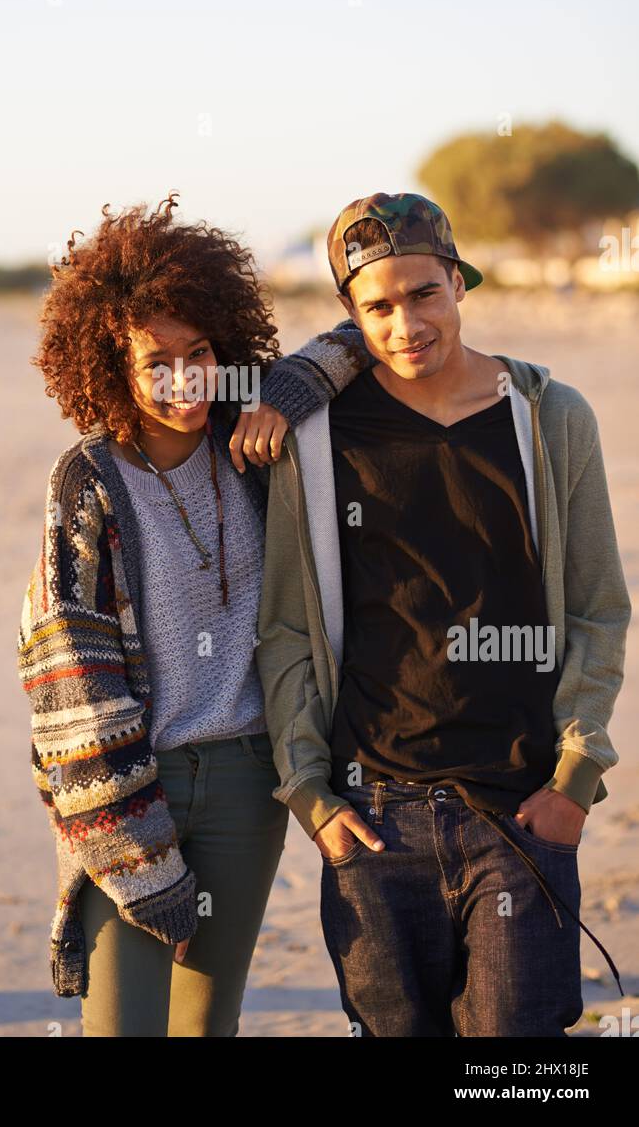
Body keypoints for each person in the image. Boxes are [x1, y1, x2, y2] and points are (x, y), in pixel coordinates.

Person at [255, 191, 631, 1037]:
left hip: (518, 807)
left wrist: (574, 778)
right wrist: (309, 796)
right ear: (350, 320)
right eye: (377, 307)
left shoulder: (547, 418)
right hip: (371, 817)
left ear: (459, 282)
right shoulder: (317, 440)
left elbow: (600, 611)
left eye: (423, 294)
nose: (405, 324)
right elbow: (284, 627)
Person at [15, 192, 372, 1036]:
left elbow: (360, 335)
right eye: (154, 360)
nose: (183, 379)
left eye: (199, 352)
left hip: (251, 781)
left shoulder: (250, 448)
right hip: (133, 784)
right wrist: (138, 854)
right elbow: (73, 677)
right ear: (110, 364)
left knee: (207, 1028)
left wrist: (281, 388)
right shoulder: (89, 481)